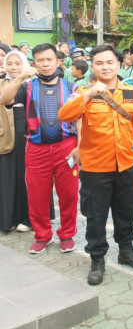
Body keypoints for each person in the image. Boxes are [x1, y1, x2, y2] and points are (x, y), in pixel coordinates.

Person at [58, 44, 133, 285]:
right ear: (92, 65)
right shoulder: (82, 91)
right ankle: (97, 258)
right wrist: (88, 95)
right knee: (96, 215)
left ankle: (126, 250)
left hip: (125, 166)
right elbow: (64, 115)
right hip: (94, 167)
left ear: (119, 64)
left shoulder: (131, 92)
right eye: (99, 63)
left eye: (110, 62)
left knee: (126, 210)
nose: (105, 67)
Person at [0, 45, 80, 253]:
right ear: (34, 64)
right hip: (36, 149)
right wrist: (20, 78)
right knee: (37, 197)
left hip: (66, 147)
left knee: (69, 195)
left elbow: (79, 119)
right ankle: (43, 236)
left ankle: (67, 234)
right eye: (40, 61)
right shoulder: (27, 88)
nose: (45, 64)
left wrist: (80, 147)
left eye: (49, 60)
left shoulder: (71, 87)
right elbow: (3, 99)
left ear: (57, 62)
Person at [0, 49, 32, 233]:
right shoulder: (2, 83)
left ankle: (27, 218)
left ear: (24, 64)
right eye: (10, 64)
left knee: (26, 177)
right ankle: (8, 218)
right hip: (6, 136)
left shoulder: (33, 84)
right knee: (7, 177)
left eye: (17, 63)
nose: (13, 67)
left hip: (28, 135)